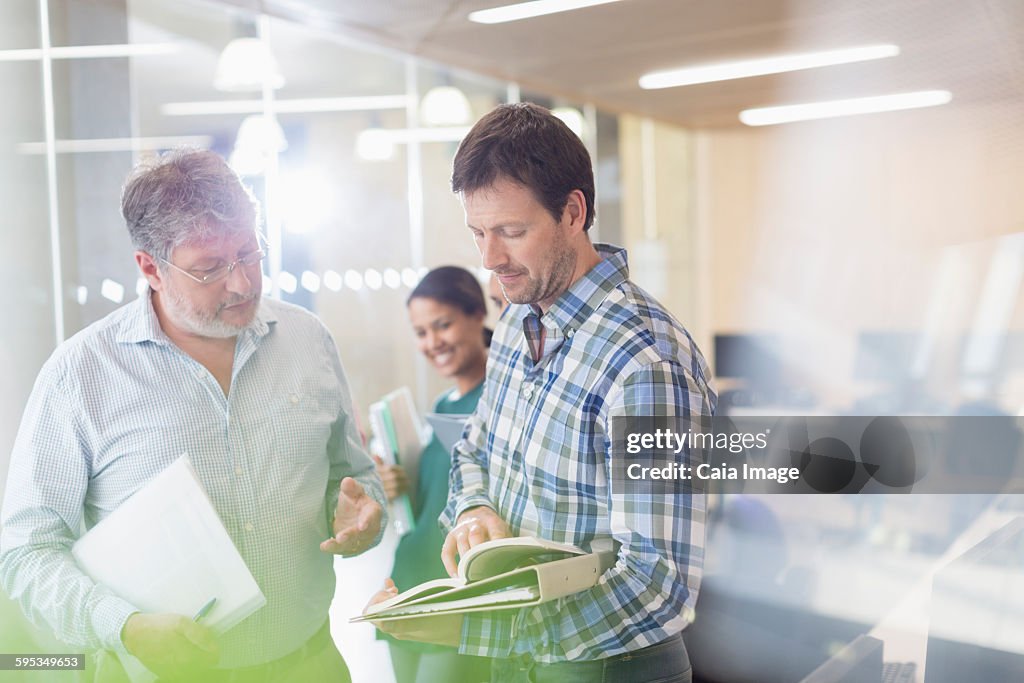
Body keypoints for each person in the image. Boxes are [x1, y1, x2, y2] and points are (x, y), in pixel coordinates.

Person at [0, 149, 385, 682]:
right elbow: (28, 552)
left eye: (250, 253)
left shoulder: (308, 340)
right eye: (210, 269)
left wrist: (364, 513)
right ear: (150, 268)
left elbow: (354, 477)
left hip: (312, 662)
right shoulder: (80, 375)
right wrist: (124, 625)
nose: (243, 283)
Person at [371, 103, 716, 683]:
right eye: (478, 233)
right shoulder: (513, 322)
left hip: (610, 666)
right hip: (522, 661)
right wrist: (476, 509)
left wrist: (470, 626)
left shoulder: (645, 362)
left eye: (511, 231)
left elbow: (658, 584)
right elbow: (473, 452)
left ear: (573, 212)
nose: (489, 258)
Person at [375, 266, 493, 683]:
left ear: (477, 313)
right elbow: (434, 506)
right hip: (409, 583)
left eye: (442, 325)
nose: (432, 342)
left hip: (458, 595)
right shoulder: (443, 405)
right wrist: (395, 484)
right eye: (421, 332)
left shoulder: (501, 397)